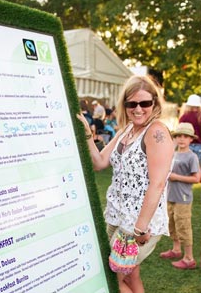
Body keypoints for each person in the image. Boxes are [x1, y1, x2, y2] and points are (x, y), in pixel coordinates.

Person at [77, 75, 174, 293]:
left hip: (139, 223)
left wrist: (140, 229)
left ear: (155, 104)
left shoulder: (156, 131)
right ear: (124, 105)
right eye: (131, 103)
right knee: (129, 275)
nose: (138, 109)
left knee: (117, 279)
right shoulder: (127, 129)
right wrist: (86, 132)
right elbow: (100, 162)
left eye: (144, 103)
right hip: (116, 215)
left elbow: (157, 184)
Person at [159, 122, 199, 269]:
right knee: (172, 225)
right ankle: (176, 250)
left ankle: (189, 259)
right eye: (179, 136)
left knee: (183, 226)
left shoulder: (192, 157)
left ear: (191, 139)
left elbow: (196, 178)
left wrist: (176, 177)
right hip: (170, 196)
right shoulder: (173, 153)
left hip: (183, 198)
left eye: (185, 136)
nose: (182, 139)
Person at [179, 94, 201, 163]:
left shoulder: (185, 117)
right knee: (196, 167)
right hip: (199, 146)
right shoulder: (199, 117)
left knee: (186, 167)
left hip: (187, 145)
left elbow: (180, 130)